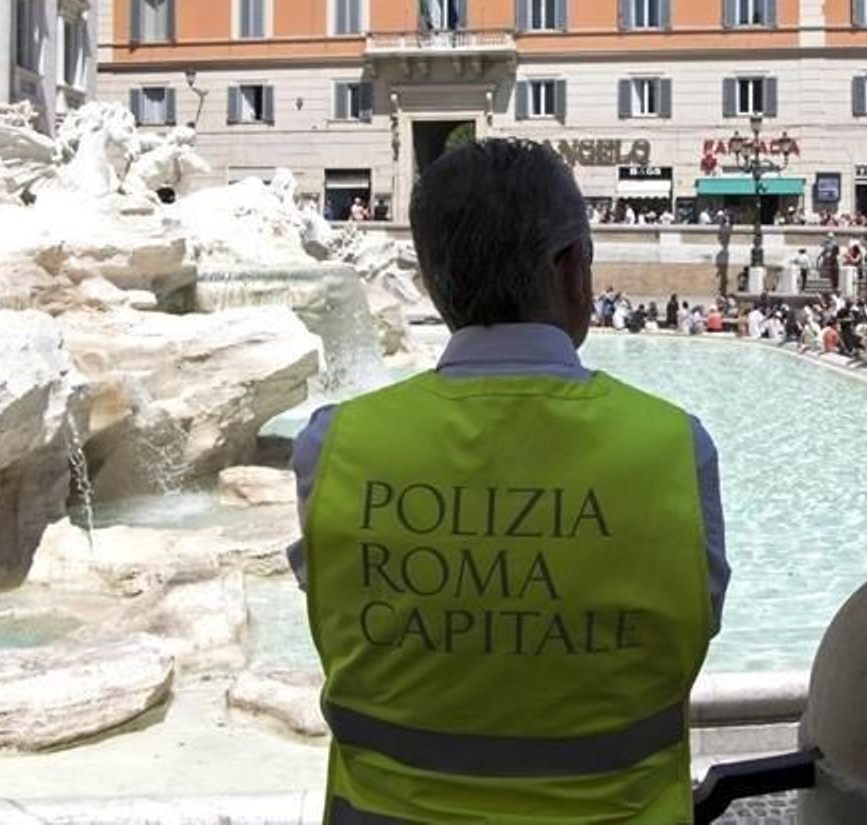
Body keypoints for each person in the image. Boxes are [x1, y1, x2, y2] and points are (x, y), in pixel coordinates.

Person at [285, 139, 728, 822]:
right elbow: (699, 622)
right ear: (573, 268)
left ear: (430, 283)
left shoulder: (331, 445)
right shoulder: (676, 449)